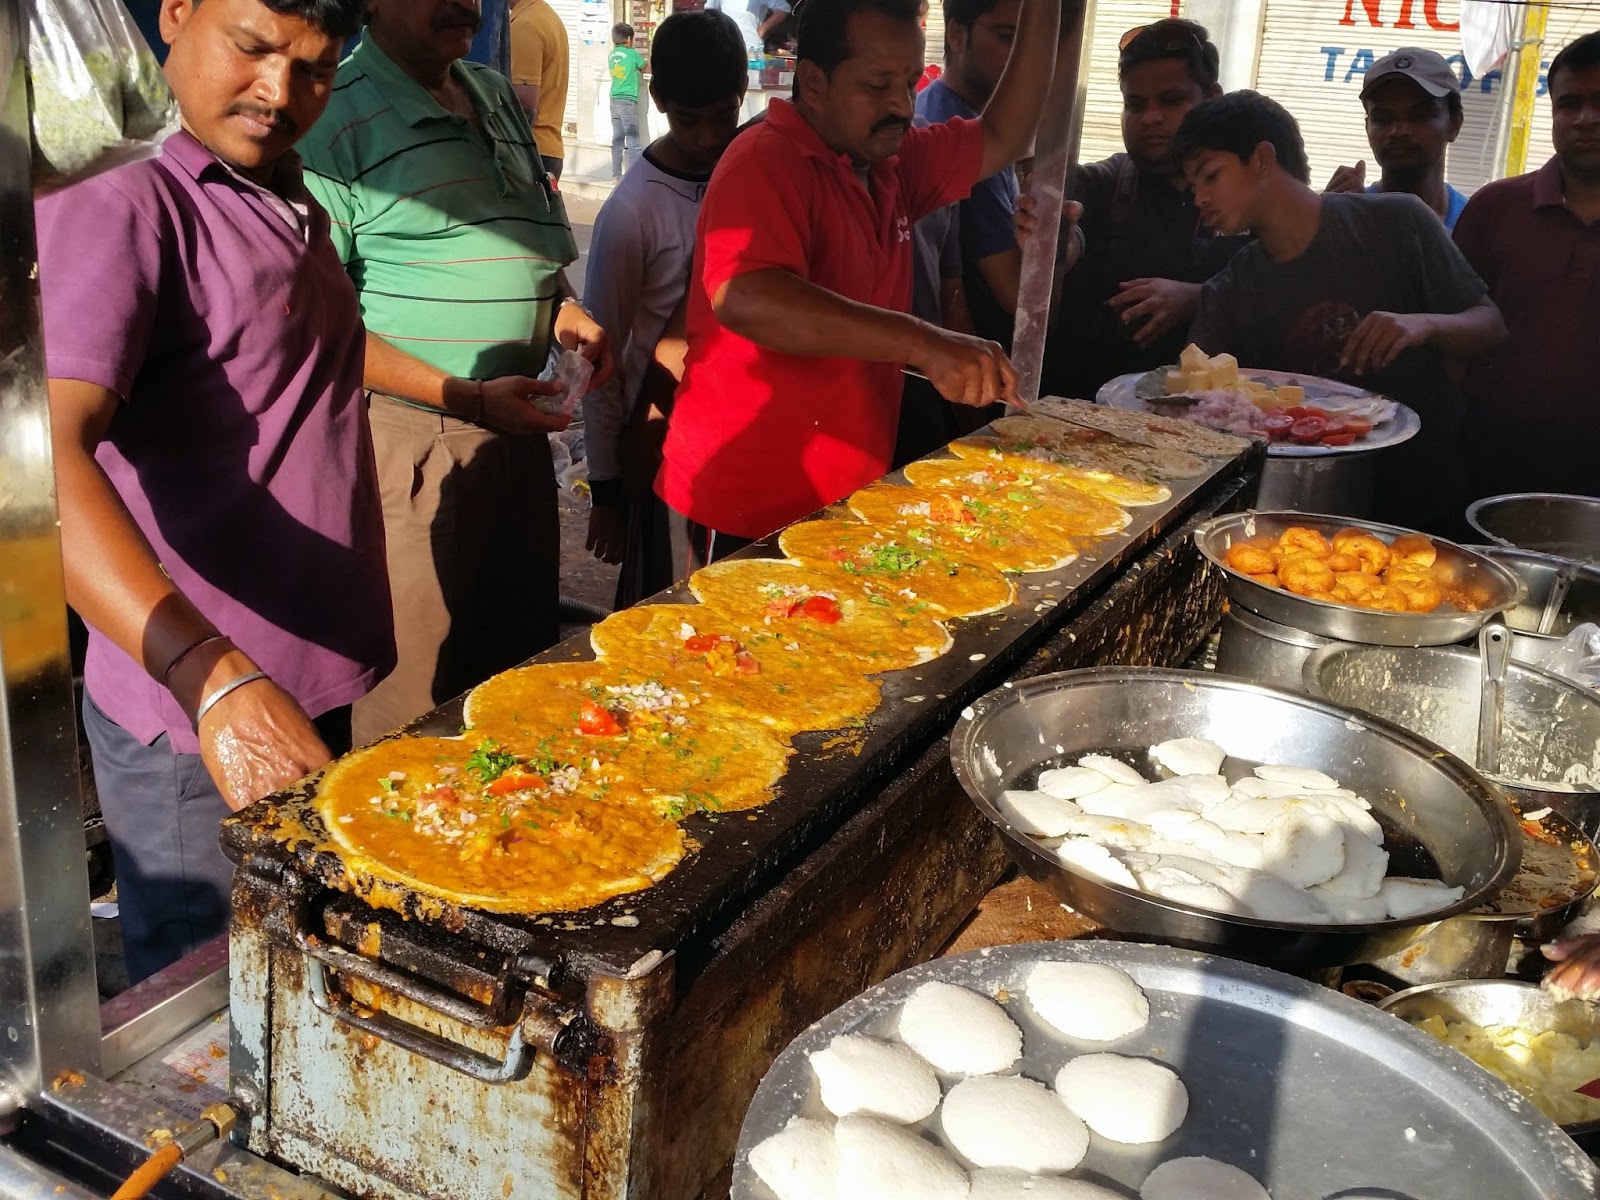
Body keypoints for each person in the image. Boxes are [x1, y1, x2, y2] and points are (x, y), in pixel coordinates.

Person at [34, 0, 392, 982]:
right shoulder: (122, 198)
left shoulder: (276, 182)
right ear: (177, 12)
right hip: (198, 717)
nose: (280, 92)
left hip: (299, 680)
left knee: (299, 978)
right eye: (252, 48)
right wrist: (213, 678)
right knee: (212, 1005)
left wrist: (464, 394)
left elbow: (295, 344)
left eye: (314, 68)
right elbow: (41, 459)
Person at [655, 0, 1063, 571]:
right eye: (877, 85)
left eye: (909, 82)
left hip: (848, 492)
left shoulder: (893, 159)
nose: (902, 105)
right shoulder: (764, 160)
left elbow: (1004, 134)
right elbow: (746, 295)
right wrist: (923, 341)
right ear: (814, 82)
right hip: (745, 501)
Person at [300, 0, 613, 746]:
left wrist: (563, 309)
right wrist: (467, 396)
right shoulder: (333, 117)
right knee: (415, 696)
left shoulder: (492, 92)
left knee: (516, 670)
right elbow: (317, 326)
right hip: (413, 442)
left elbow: (529, 243)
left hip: (517, 434)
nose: (464, 3)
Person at [1177, 90, 1505, 533]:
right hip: (1304, 518)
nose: (1199, 198)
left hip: (1423, 506)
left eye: (1210, 176)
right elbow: (1193, 403)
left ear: (1261, 159)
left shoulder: (1398, 221)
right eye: (1193, 187)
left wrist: (1423, 324)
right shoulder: (1231, 288)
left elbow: (1491, 327)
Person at [583, 9, 747, 605]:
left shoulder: (752, 175)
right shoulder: (632, 212)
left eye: (723, 116)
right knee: (666, 607)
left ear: (743, 92)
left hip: (742, 435)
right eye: (688, 120)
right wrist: (607, 488)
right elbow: (597, 356)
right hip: (660, 444)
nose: (707, 138)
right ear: (656, 100)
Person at [1042, 18, 1247, 400]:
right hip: (1089, 418)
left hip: (1215, 421)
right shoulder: (1104, 185)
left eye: (1170, 100)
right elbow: (1069, 223)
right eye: (1135, 104)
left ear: (1213, 99)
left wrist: (1198, 298)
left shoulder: (1248, 195)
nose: (1150, 118)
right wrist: (1059, 247)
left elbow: (1279, 295)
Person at [1451, 31, 1600, 500]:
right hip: (1488, 477)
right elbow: (1451, 339)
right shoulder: (1495, 208)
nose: (1586, 119)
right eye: (1569, 104)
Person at [915, 0, 1021, 345]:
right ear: (957, 35)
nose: (1023, 57)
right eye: (1006, 36)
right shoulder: (960, 138)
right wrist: (1068, 243)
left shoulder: (940, 108)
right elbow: (1018, 294)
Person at [1324, 48, 1470, 231]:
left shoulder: (1477, 225)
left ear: (1455, 124)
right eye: (1383, 118)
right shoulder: (1344, 218)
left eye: (1419, 115)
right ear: (1367, 128)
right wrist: (1323, 230)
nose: (1398, 131)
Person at [510, 0, 570, 177]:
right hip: (547, 149)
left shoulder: (525, 25)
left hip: (530, 152)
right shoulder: (547, 17)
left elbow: (524, 102)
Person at [608, 23, 646, 180]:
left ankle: (616, 176)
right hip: (627, 100)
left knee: (617, 139)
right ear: (629, 39)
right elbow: (645, 67)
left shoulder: (612, 54)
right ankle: (632, 176)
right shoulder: (632, 54)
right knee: (633, 140)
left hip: (614, 99)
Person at [707, 0, 790, 55]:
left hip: (751, 49)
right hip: (726, 47)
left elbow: (783, 8)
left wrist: (763, 29)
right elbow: (710, 12)